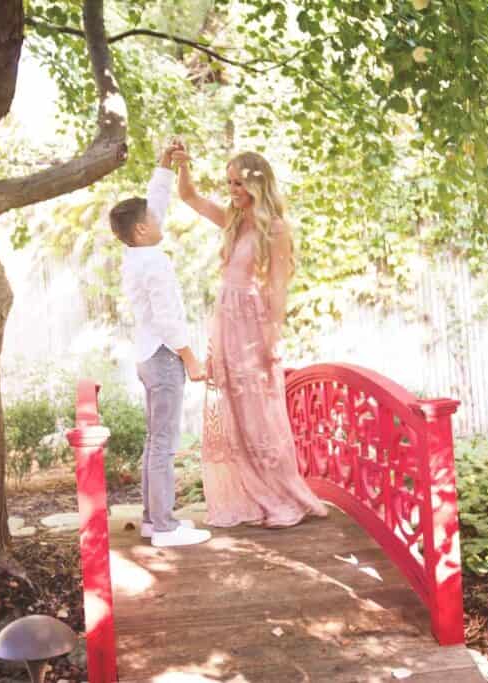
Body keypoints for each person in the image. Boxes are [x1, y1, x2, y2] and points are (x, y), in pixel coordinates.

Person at [172, 145, 328, 528]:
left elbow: (277, 287)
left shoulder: (274, 228)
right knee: (237, 413)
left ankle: (283, 498)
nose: (232, 190)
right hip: (226, 323)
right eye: (229, 183)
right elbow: (189, 196)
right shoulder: (233, 218)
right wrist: (183, 165)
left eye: (239, 183)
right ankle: (254, 496)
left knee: (260, 412)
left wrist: (270, 342)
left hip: (251, 327)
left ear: (257, 184)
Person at [109, 142, 211, 548]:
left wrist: (164, 166)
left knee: (155, 442)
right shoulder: (155, 261)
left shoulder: (137, 252)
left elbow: (155, 204)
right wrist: (191, 358)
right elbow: (168, 319)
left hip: (147, 356)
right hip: (165, 357)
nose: (159, 216)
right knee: (164, 445)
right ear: (141, 230)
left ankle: (154, 521)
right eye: (152, 217)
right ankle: (165, 528)